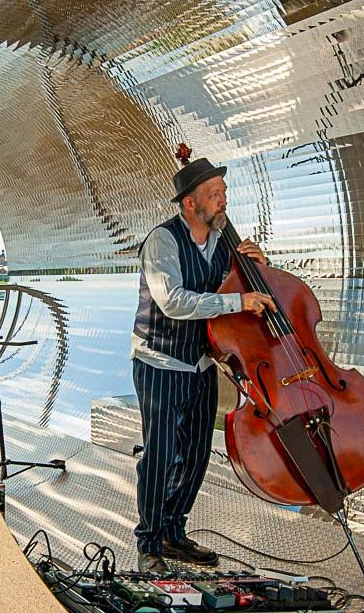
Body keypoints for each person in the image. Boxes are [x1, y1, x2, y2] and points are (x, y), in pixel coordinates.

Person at [129, 144, 274, 573]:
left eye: (223, 192)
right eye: (214, 194)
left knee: (196, 455)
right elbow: (173, 301)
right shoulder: (162, 241)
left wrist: (258, 269)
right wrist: (238, 301)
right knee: (160, 454)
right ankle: (149, 543)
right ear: (190, 204)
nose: (223, 200)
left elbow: (248, 296)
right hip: (160, 361)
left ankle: (174, 532)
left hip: (203, 363)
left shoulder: (223, 244)